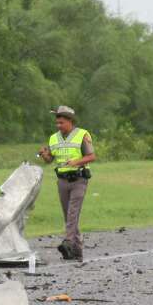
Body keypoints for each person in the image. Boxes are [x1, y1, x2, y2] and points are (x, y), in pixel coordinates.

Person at [38, 106, 96, 261]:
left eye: (61, 122)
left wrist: (76, 162)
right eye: (57, 123)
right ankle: (77, 251)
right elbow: (50, 160)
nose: (58, 126)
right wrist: (45, 155)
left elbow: (91, 156)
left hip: (79, 180)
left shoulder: (82, 135)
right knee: (69, 216)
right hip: (62, 181)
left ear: (70, 121)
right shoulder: (53, 138)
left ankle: (68, 242)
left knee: (72, 212)